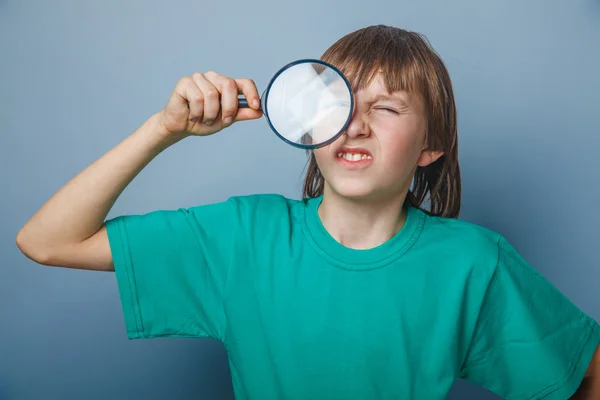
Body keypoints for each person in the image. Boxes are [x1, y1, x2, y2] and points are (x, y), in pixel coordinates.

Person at [15, 25, 600, 399]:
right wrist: (163, 130)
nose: (357, 122)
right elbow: (47, 241)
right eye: (339, 101)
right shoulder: (243, 236)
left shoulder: (474, 264)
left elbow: (582, 373)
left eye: (389, 106)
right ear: (309, 125)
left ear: (431, 147)